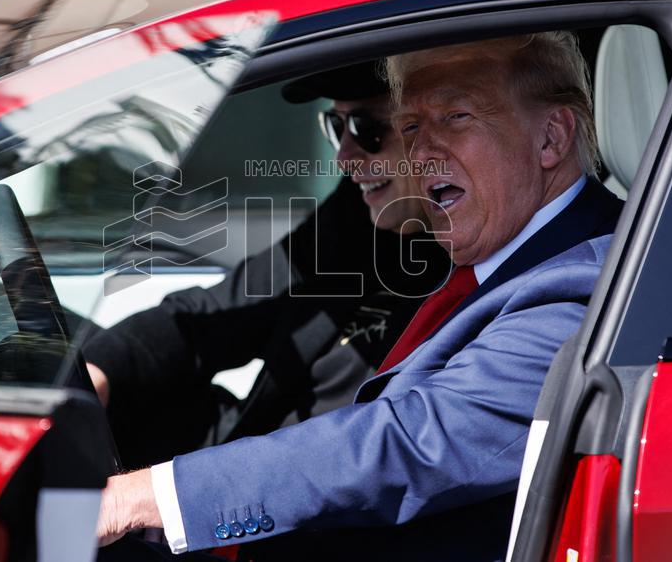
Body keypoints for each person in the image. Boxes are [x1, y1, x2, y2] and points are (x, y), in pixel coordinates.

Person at [95, 32, 624, 561]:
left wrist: (151, 497)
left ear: (551, 139)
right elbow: (216, 315)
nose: (420, 151)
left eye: (455, 117)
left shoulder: (583, 281)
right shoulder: (475, 239)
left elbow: (410, 442)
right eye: (410, 127)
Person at [82, 62, 450, 470]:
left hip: (296, 496)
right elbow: (218, 314)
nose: (344, 156)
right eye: (334, 126)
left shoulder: (478, 269)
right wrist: (100, 371)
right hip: (245, 454)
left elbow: (374, 462)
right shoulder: (357, 215)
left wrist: (162, 500)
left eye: (367, 128)